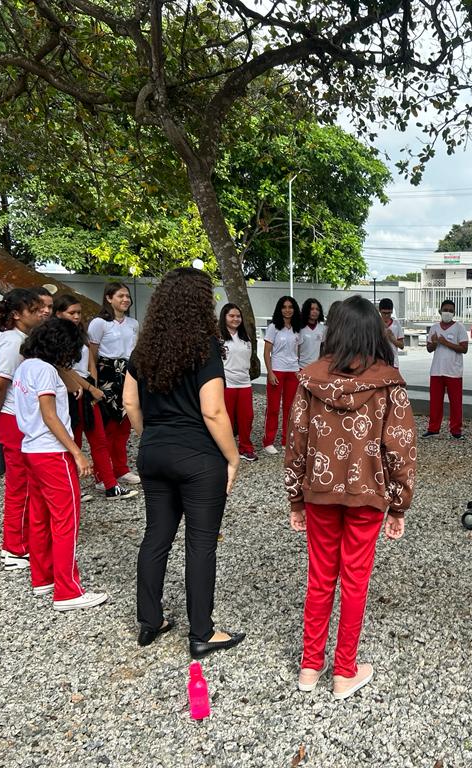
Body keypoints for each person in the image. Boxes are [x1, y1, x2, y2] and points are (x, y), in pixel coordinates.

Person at [285, 295, 415, 700]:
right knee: (355, 580)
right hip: (368, 494)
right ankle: (344, 671)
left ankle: (310, 666)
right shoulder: (388, 382)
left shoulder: (310, 379)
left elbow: (296, 441)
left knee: (320, 577)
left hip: (320, 493)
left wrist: (295, 497)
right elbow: (402, 447)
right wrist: (399, 504)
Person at [123, 267, 244, 658]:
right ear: (199, 303)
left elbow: (129, 402)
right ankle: (202, 632)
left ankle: (150, 619)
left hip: (155, 453)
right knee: (200, 543)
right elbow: (213, 411)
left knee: (156, 535)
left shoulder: (143, 349)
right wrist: (233, 456)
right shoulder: (204, 347)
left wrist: (152, 436)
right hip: (198, 458)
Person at [13, 318, 108, 610]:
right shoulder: (44, 370)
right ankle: (68, 591)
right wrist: (76, 452)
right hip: (52, 453)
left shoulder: (27, 366)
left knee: (40, 517)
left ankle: (44, 578)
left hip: (31, 450)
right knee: (66, 520)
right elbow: (50, 414)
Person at [0, 288, 44, 570]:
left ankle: (24, 541)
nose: (42, 312)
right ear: (17, 315)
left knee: (29, 483)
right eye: (34, 309)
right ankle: (14, 548)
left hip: (22, 418)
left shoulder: (21, 339)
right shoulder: (13, 342)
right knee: (19, 486)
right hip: (13, 418)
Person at [53, 294, 136, 501]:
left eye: (78, 313)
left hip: (89, 390)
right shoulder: (55, 336)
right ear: (58, 313)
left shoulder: (81, 333)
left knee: (98, 438)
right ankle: (71, 486)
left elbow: (91, 360)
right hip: (72, 391)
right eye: (71, 313)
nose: (76, 316)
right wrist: (89, 386)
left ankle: (109, 484)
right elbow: (64, 367)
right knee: (75, 440)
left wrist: (94, 385)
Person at [88, 281, 140, 485]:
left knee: (124, 424)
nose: (125, 299)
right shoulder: (99, 323)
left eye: (127, 296)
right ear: (109, 298)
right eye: (120, 296)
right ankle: (103, 471)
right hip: (107, 375)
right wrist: (94, 382)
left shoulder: (133, 324)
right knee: (107, 425)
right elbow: (92, 353)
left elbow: (134, 351)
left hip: (127, 373)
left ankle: (121, 468)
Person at [423, 299, 469, 439]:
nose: (447, 312)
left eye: (450, 310)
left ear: (454, 313)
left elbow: (464, 348)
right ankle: (433, 428)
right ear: (440, 311)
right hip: (437, 370)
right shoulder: (434, 327)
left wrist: (446, 343)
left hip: (453, 371)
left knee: (456, 403)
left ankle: (456, 430)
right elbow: (429, 348)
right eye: (445, 310)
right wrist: (435, 343)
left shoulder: (459, 328)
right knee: (435, 402)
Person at [263, 295, 302, 456]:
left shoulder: (297, 328)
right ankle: (268, 441)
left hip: (292, 371)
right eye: (284, 307)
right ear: (280, 309)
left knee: (289, 408)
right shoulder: (274, 327)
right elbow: (266, 352)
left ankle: (286, 439)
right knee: (273, 408)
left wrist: (298, 369)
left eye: (290, 307)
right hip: (277, 371)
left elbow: (297, 351)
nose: (287, 310)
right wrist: (270, 372)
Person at [219, 303, 257, 462]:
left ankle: (245, 448)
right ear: (224, 317)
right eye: (231, 316)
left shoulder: (245, 337)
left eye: (238, 316)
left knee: (247, 417)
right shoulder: (218, 337)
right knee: (226, 418)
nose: (235, 319)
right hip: (227, 383)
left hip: (244, 383)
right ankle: (223, 450)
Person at [298, 298, 327, 368]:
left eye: (317, 309)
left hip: (316, 368)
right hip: (301, 367)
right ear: (306, 311)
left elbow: (323, 348)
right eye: (312, 309)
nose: (315, 311)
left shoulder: (323, 329)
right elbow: (296, 350)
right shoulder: (300, 329)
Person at [378, 298, 405, 367]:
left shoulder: (396, 324)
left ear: (392, 311)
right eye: (384, 313)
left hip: (393, 363)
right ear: (380, 311)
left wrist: (392, 339)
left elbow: (402, 346)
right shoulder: (375, 324)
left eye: (389, 313)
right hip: (378, 364)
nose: (386, 315)